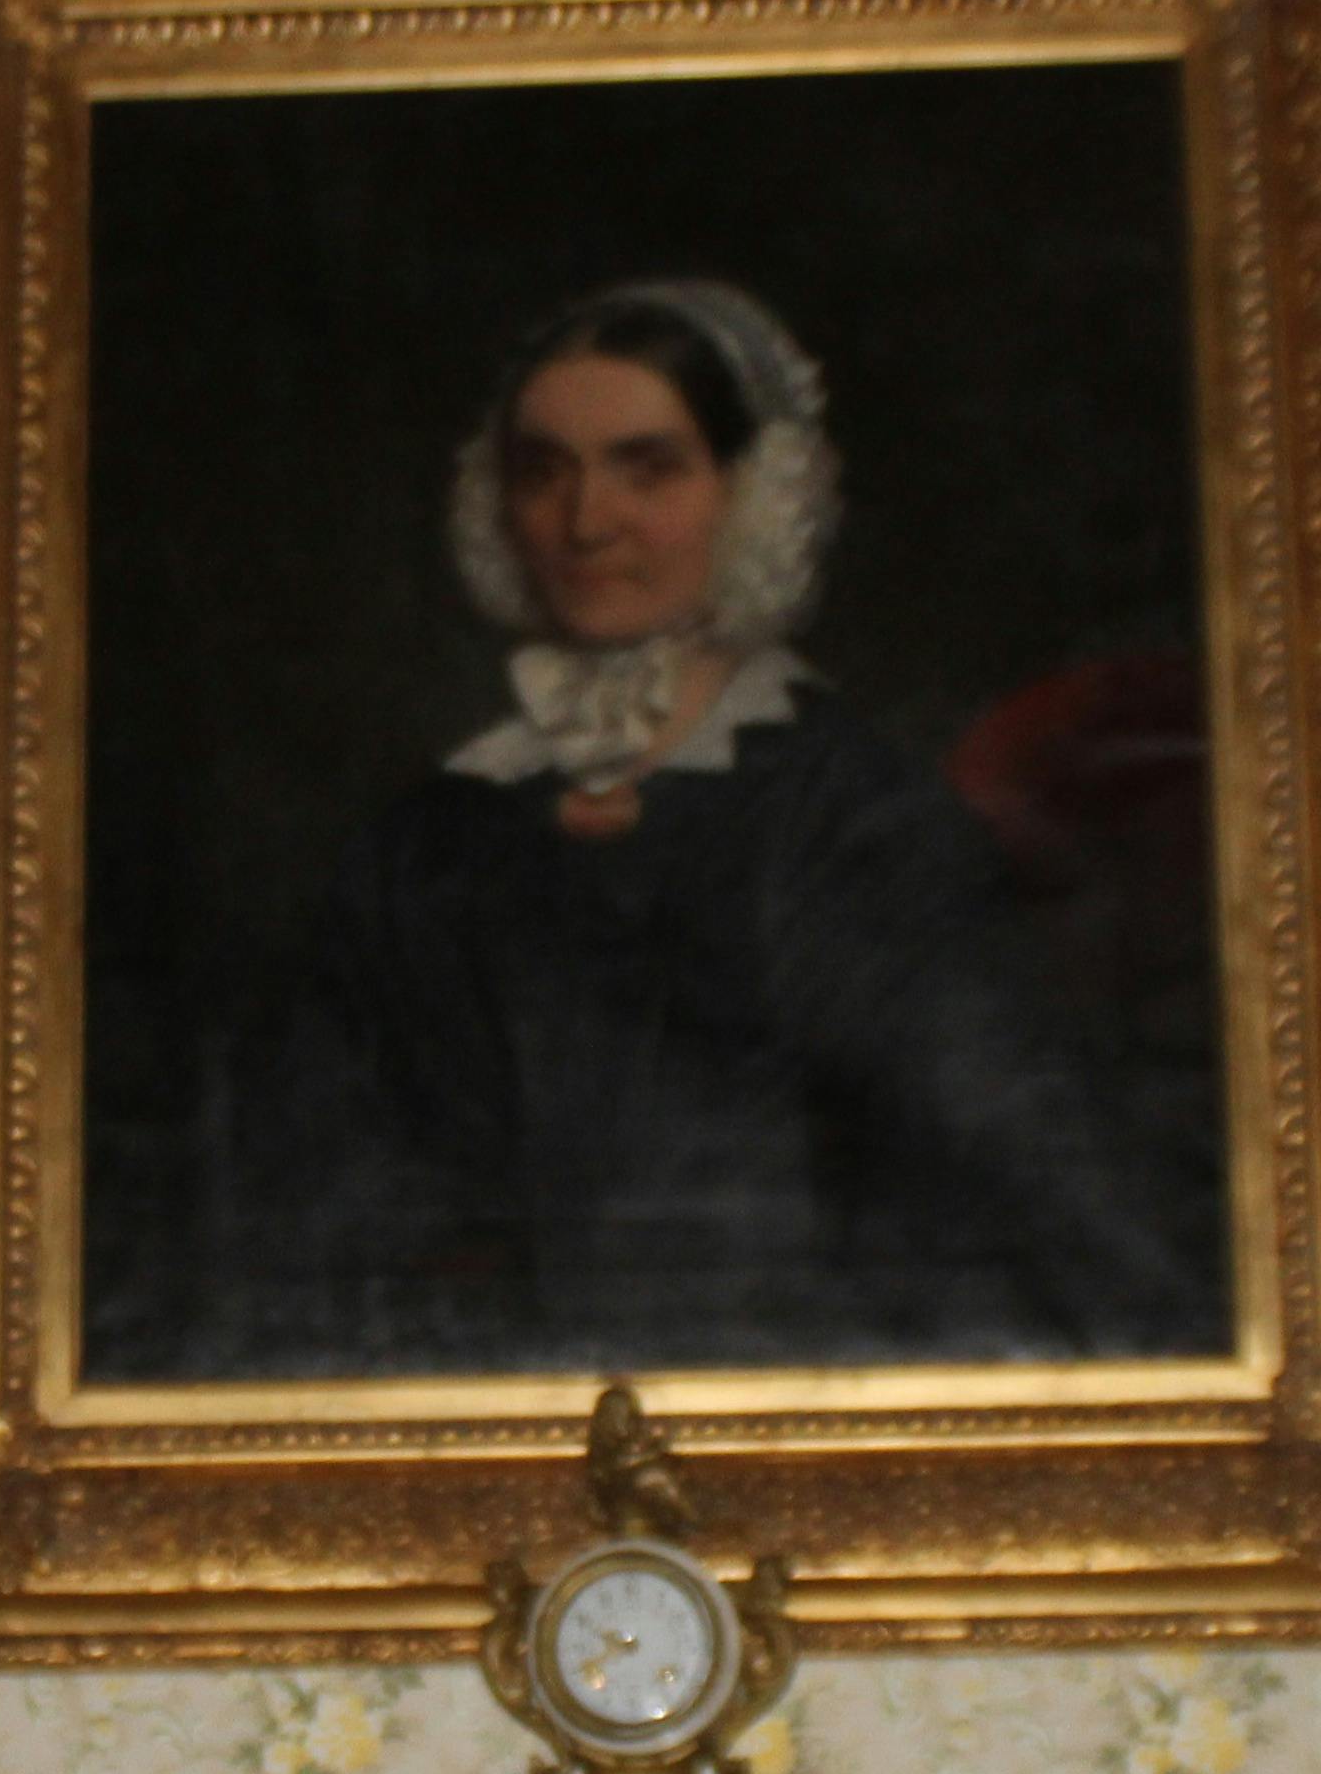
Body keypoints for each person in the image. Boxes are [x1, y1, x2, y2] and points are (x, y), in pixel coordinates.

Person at [197, 279, 1227, 1378]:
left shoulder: (854, 817)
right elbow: (315, 1205)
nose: (587, 522)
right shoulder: (427, 838)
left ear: (751, 494)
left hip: (799, 1401)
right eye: (544, 470)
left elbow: (1024, 1179)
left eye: (649, 468)